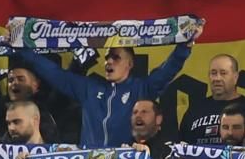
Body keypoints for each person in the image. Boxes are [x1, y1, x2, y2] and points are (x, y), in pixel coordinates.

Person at [20, 42, 195, 148]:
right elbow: (55, 73)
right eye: (106, 57)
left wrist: (184, 47)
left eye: (115, 57)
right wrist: (23, 50)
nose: (108, 61)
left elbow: (167, 70)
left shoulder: (141, 89)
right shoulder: (90, 87)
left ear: (130, 63)